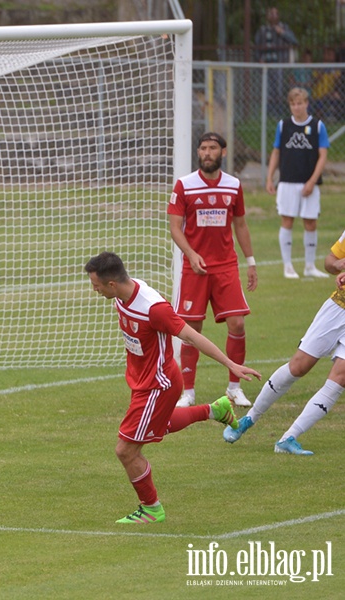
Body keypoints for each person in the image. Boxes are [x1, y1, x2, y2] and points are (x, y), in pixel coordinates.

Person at [85, 252, 260, 524]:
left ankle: (151, 508)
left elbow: (191, 335)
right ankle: (215, 410)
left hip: (158, 385)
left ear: (111, 284)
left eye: (96, 285)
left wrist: (231, 364)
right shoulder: (123, 294)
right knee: (161, 424)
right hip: (144, 380)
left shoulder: (154, 308)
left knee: (126, 450)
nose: (93, 290)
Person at [224, 231, 345, 455]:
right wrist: (340, 265)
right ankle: (248, 420)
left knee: (340, 377)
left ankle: (288, 438)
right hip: (338, 307)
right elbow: (329, 262)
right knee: (298, 366)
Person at [168, 132, 258, 409]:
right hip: (194, 269)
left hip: (226, 267)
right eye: (203, 148)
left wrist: (251, 261)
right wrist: (191, 254)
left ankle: (234, 387)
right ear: (198, 153)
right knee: (191, 329)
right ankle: (188, 392)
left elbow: (240, 224)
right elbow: (174, 226)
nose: (207, 153)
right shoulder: (184, 185)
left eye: (213, 148)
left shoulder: (233, 185)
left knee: (238, 324)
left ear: (223, 152)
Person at [265, 87, 330, 279]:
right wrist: (270, 177)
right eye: (293, 104)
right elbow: (276, 152)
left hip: (308, 183)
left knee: (310, 223)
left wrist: (311, 181)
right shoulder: (283, 125)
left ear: (307, 104)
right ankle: (288, 266)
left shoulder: (318, 126)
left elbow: (323, 155)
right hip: (287, 182)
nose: (296, 107)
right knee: (287, 221)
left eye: (300, 103)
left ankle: (310, 266)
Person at [254, 7, 298, 115]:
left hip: (279, 64)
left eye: (275, 14)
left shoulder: (284, 27)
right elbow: (256, 46)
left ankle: (278, 113)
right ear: (267, 16)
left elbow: (294, 41)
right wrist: (259, 59)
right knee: (267, 91)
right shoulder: (263, 30)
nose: (273, 16)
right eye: (271, 14)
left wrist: (282, 33)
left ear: (278, 16)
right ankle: (267, 114)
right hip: (266, 66)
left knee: (278, 89)